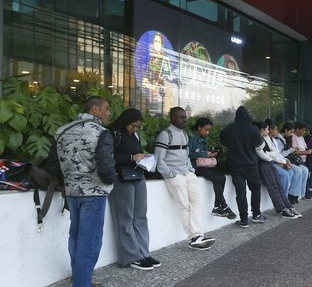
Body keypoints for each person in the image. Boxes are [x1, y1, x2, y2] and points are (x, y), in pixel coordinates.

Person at [55, 96, 118, 287]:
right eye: (106, 108)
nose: (108, 113)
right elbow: (106, 167)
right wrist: (112, 180)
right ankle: (82, 284)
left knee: (75, 237)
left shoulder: (61, 131)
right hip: (94, 193)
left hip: (72, 192)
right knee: (89, 242)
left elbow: (53, 164)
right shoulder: (101, 132)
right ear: (94, 109)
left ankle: (80, 279)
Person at [154, 107, 216, 249]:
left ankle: (197, 235)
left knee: (198, 202)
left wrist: (190, 170)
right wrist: (170, 173)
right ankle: (194, 237)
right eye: (181, 117)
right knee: (184, 206)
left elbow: (186, 154)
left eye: (185, 117)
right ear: (172, 118)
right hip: (174, 175)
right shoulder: (166, 134)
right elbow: (159, 158)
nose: (184, 119)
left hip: (187, 173)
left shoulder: (184, 134)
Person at [107, 108, 161, 271]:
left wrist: (143, 157)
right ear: (125, 121)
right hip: (121, 178)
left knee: (140, 216)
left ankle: (143, 253)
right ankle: (131, 256)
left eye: (137, 126)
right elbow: (107, 156)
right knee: (125, 217)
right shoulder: (112, 134)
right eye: (133, 125)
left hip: (137, 175)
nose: (135, 128)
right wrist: (131, 157)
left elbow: (136, 153)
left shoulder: (134, 135)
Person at [220, 106, 267, 227]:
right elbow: (260, 145)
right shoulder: (253, 129)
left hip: (235, 165)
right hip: (251, 164)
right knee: (255, 189)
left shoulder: (229, 128)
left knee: (240, 193)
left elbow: (222, 143)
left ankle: (244, 220)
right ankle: (256, 215)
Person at [188, 117, 236, 219]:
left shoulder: (204, 138)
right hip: (196, 166)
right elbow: (188, 154)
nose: (207, 133)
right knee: (215, 178)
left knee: (222, 177)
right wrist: (205, 153)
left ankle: (216, 206)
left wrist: (210, 154)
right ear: (199, 127)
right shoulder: (191, 138)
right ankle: (223, 205)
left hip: (205, 165)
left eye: (209, 130)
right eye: (206, 130)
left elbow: (203, 153)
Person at [256, 122, 301, 219]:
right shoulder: (257, 139)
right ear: (262, 130)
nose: (268, 131)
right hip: (263, 165)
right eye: (267, 129)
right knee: (273, 187)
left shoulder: (267, 138)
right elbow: (263, 155)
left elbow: (274, 152)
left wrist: (270, 155)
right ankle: (282, 209)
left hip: (270, 162)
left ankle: (288, 206)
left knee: (278, 186)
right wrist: (270, 155)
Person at [270, 123, 308, 204]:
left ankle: (298, 194)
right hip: (281, 160)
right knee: (298, 171)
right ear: (286, 130)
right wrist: (290, 150)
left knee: (305, 170)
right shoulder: (278, 139)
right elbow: (280, 154)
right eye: (290, 132)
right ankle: (291, 194)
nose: (291, 134)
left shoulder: (284, 138)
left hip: (286, 160)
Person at [292, 122, 312, 199]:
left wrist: (311, 150)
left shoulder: (301, 137)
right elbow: (294, 152)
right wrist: (306, 152)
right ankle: (306, 193)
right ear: (297, 129)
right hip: (298, 161)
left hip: (306, 160)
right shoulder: (293, 137)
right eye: (303, 130)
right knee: (306, 172)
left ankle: (310, 189)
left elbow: (305, 148)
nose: (304, 132)